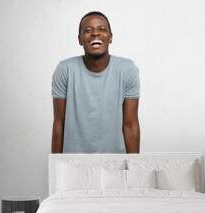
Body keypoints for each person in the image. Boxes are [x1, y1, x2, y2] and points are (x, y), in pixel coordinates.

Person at [51, 11, 140, 153]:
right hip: (73, 163)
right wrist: (55, 167)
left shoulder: (127, 70)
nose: (95, 34)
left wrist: (134, 168)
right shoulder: (64, 69)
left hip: (114, 163)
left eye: (102, 29)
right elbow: (58, 124)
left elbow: (130, 125)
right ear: (79, 39)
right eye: (88, 30)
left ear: (110, 37)